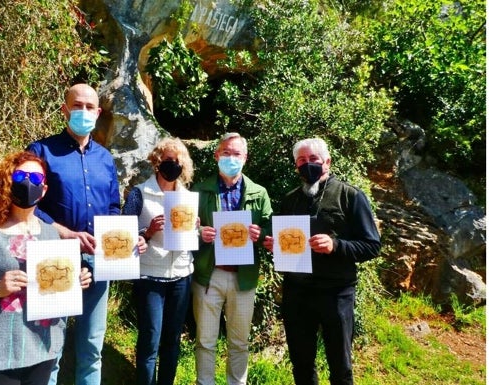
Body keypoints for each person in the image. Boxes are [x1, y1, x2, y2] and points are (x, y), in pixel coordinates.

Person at [0, 151, 92, 385]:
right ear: (8, 181)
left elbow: (54, 292)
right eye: (21, 175)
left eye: (36, 179)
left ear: (44, 190)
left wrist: (74, 283)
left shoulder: (50, 234)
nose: (28, 182)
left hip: (42, 350)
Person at [27, 83, 145, 385]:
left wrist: (128, 239)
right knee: (49, 347)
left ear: (98, 112)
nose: (83, 111)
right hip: (55, 257)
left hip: (99, 261)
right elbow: (27, 207)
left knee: (92, 347)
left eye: (89, 107)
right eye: (76, 105)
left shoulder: (105, 158)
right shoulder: (41, 152)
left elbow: (113, 207)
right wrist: (64, 232)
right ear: (64, 109)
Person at [263, 137, 381, 385]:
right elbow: (286, 242)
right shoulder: (290, 199)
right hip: (297, 292)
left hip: (336, 293)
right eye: (301, 161)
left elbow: (372, 246)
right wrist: (277, 245)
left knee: (340, 364)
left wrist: (336, 245)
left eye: (313, 159)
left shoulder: (350, 196)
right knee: (301, 363)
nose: (308, 165)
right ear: (296, 166)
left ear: (327, 161)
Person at [192, 132, 273, 385]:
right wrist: (198, 233)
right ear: (216, 155)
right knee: (205, 341)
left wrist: (261, 235)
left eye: (236, 153)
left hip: (243, 278)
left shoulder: (259, 193)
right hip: (208, 274)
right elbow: (184, 230)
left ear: (245, 158)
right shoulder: (199, 190)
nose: (231, 158)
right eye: (226, 152)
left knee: (239, 342)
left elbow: (272, 233)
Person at [121, 137, 195, 385]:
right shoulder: (139, 194)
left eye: (177, 161)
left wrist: (196, 228)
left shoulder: (188, 198)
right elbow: (122, 235)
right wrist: (148, 232)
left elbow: (193, 238)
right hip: (149, 276)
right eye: (167, 160)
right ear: (156, 162)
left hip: (181, 276)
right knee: (150, 338)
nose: (172, 165)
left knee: (172, 339)